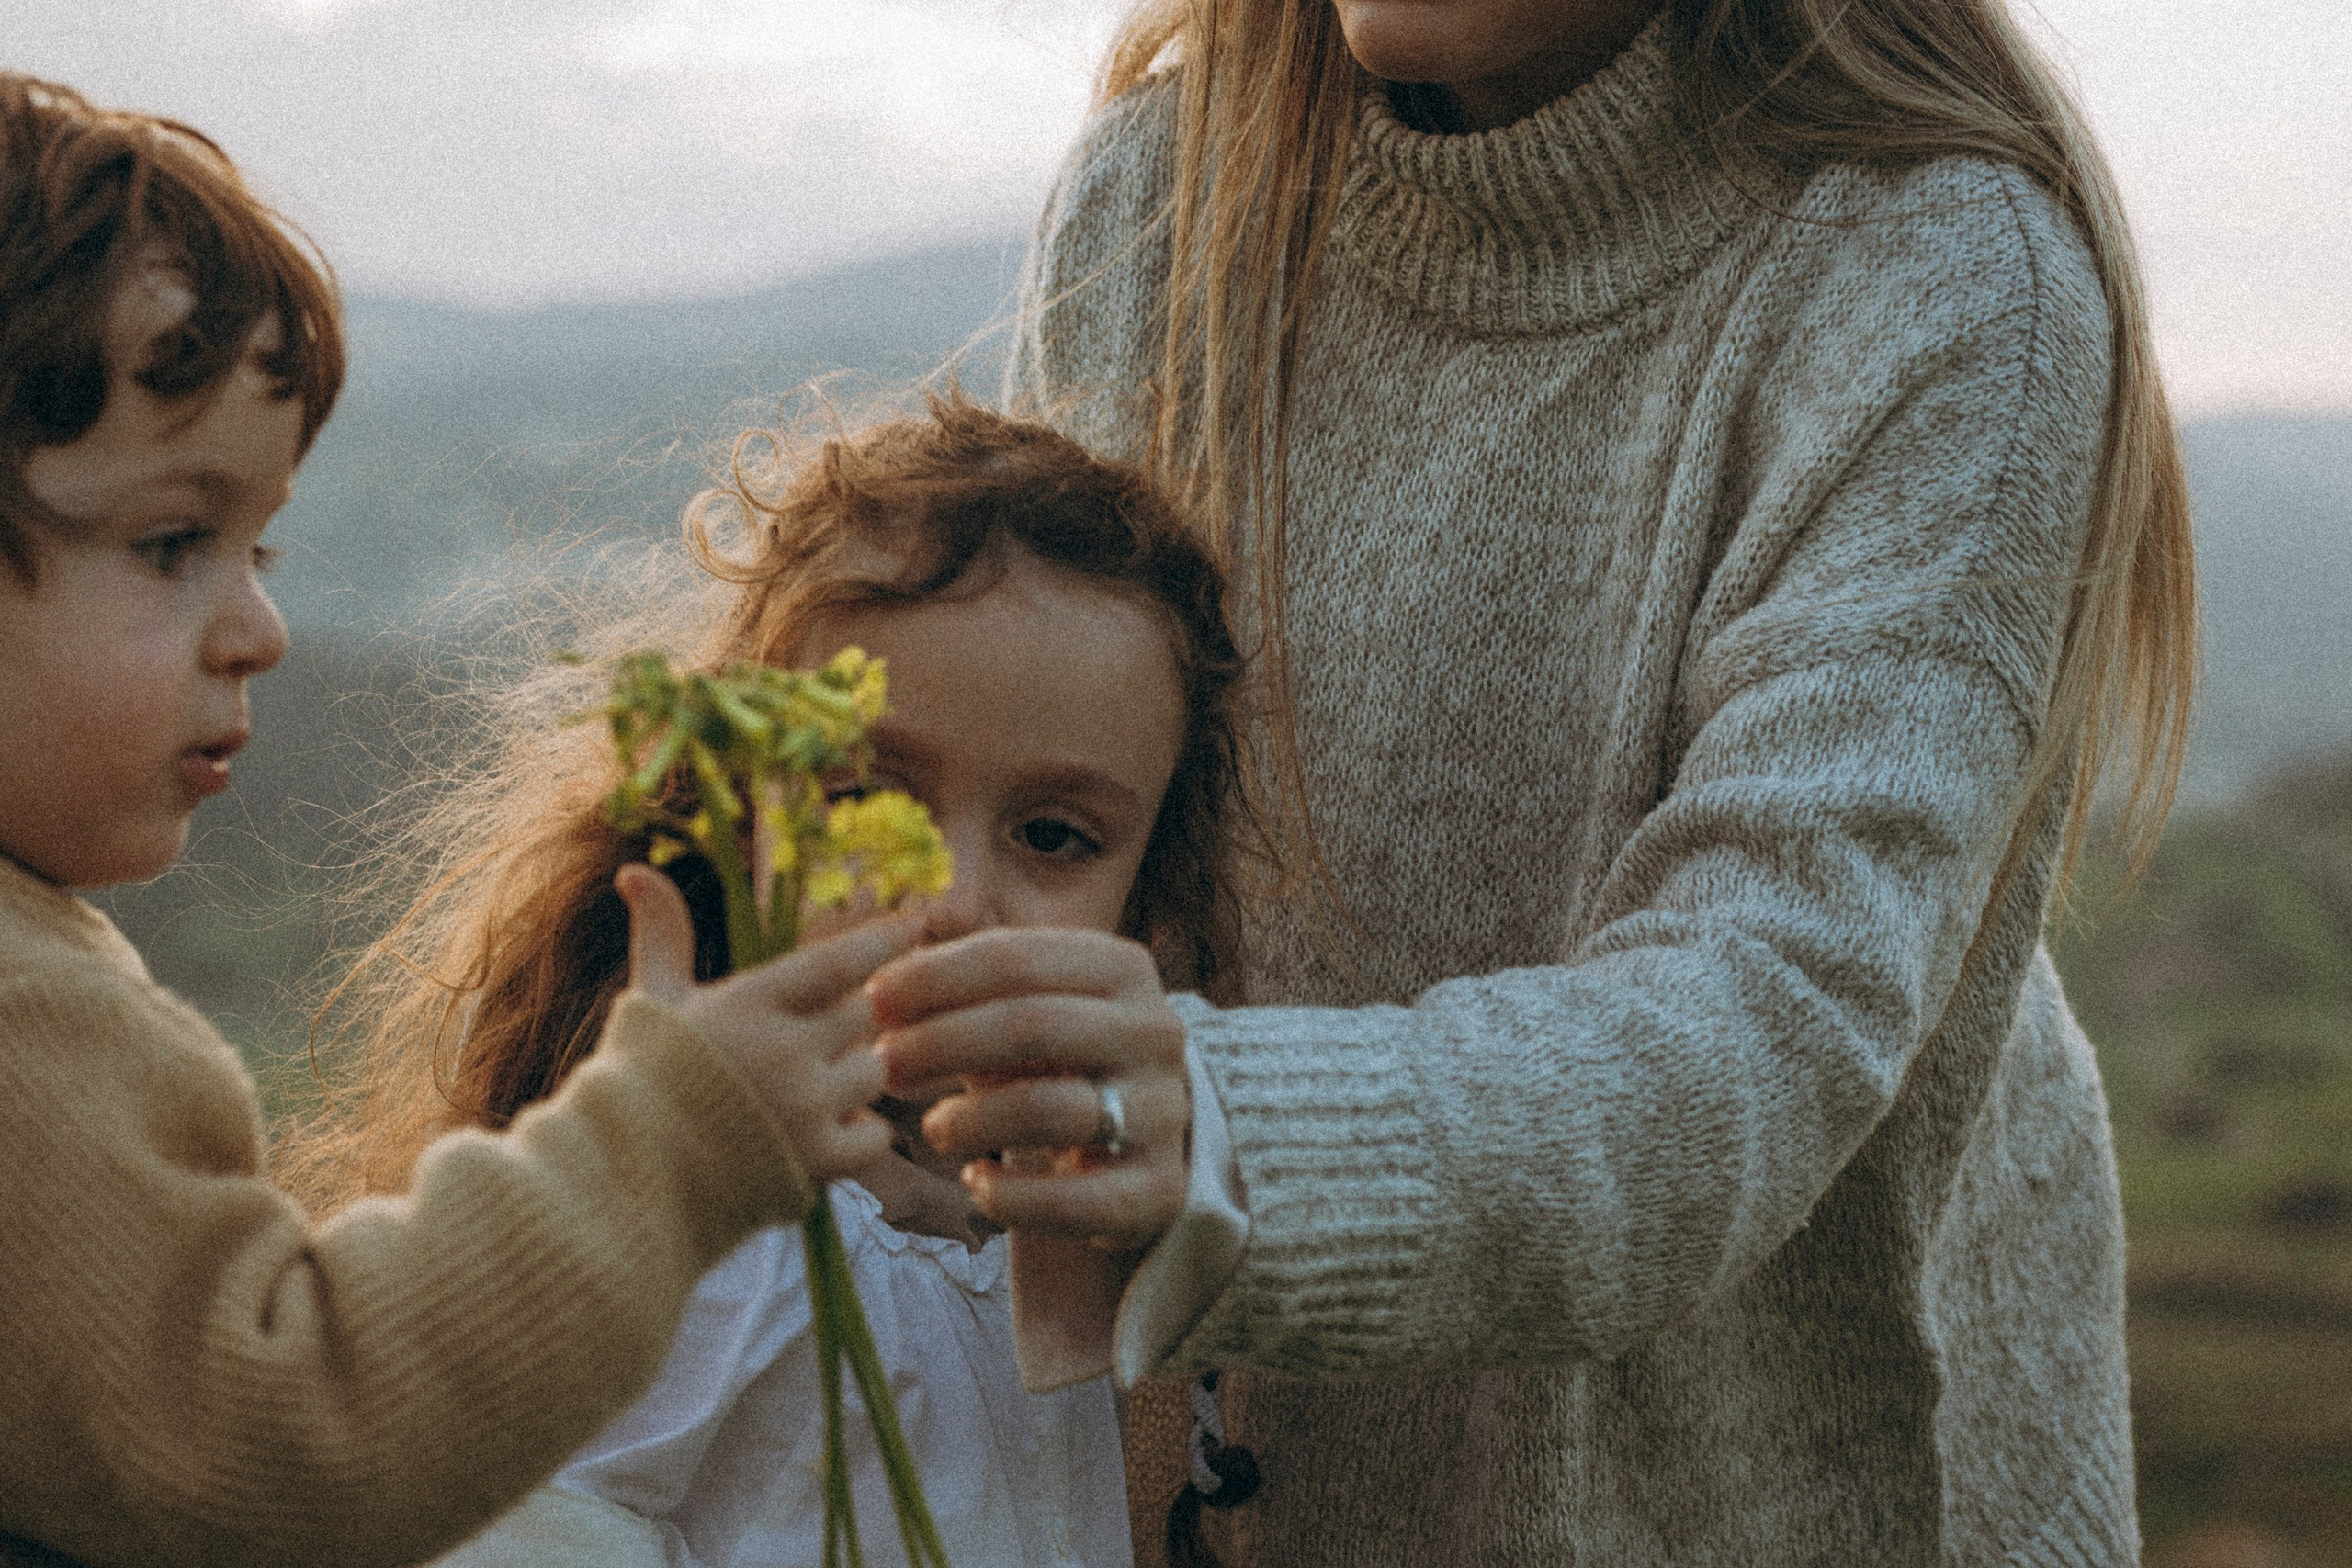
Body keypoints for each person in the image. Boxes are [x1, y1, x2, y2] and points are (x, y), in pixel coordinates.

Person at [864, 2, 2199, 1565]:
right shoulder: (1165, 190)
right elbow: (1077, 825)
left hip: (1782, 1503)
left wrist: (1219, 1136)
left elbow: (1764, 1024)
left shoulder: (1945, 270)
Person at [0, 73, 915, 1568]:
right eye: (174, 541)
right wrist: (676, 1133)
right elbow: (290, 1431)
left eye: (258, 543)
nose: (262, 628)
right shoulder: (21, 1030)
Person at [283, 397, 1250, 1568]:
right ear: (738, 819)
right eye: (862, 800)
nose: (947, 899)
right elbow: (508, 1527)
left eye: (1052, 836)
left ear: (1145, 897)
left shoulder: (1108, 1226)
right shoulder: (721, 1233)